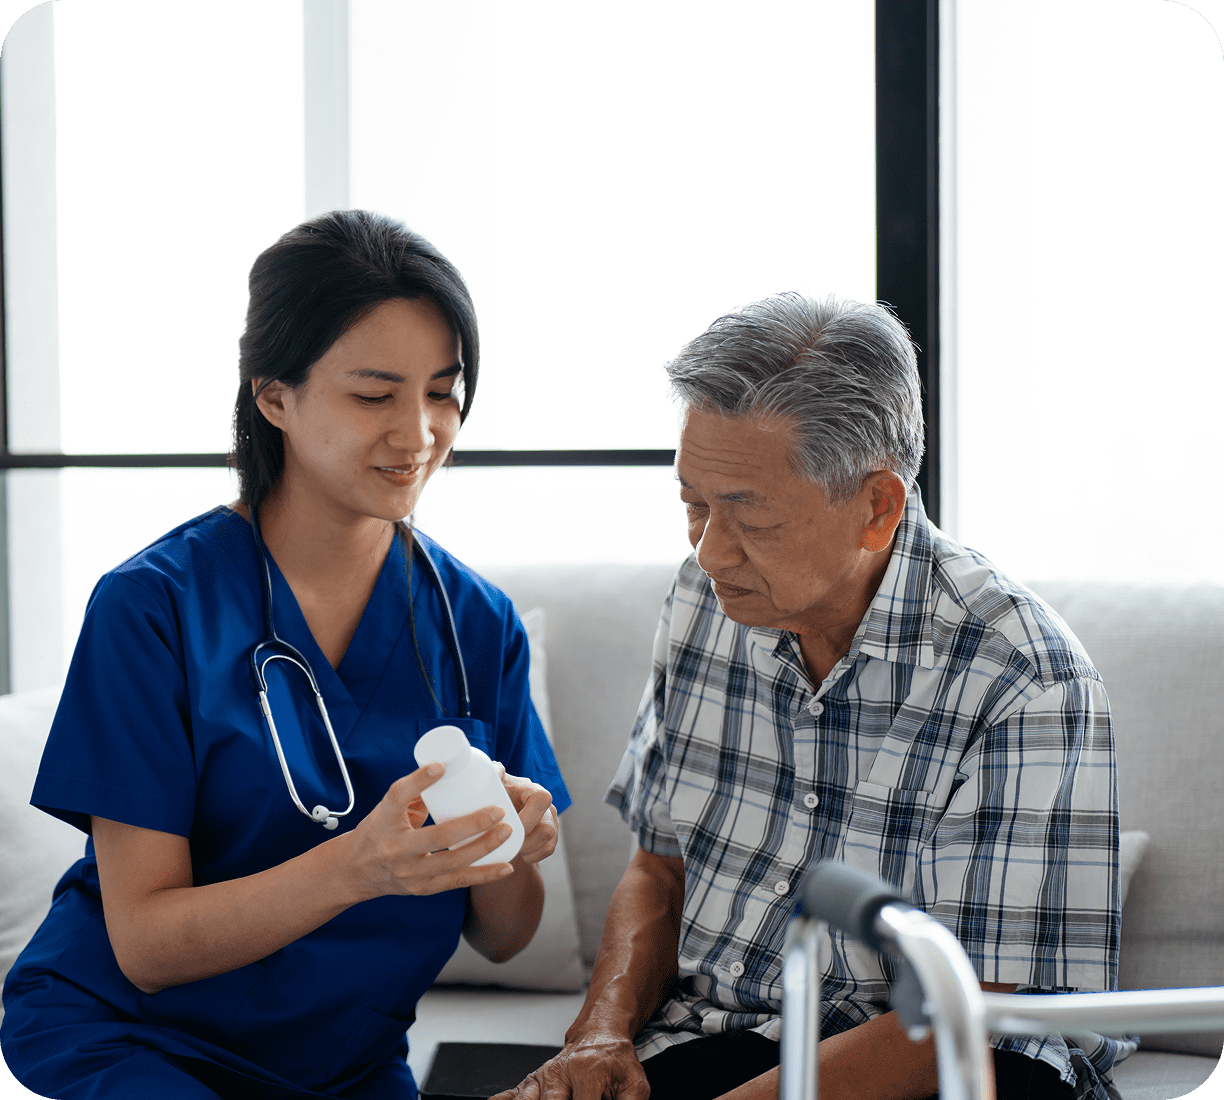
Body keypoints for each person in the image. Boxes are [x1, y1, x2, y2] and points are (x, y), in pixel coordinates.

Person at [495, 294, 1126, 1100]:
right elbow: (658, 867)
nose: (710, 551)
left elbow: (974, 1011)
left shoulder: (1026, 678)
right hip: (725, 1038)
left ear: (877, 508)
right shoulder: (702, 598)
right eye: (694, 504)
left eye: (750, 518)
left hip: (941, 1058)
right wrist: (600, 1035)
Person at [0, 210, 570, 1099]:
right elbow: (145, 949)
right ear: (274, 395)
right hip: (130, 1043)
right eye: (375, 395)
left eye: (442, 392)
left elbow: (504, 935)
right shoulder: (152, 608)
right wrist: (361, 866)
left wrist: (508, 841)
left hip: (340, 1068)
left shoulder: (478, 623)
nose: (418, 433)